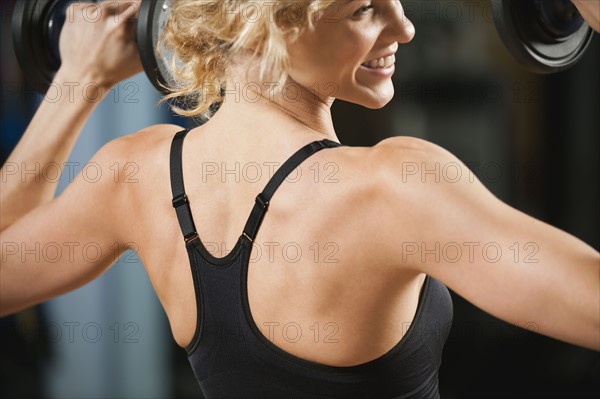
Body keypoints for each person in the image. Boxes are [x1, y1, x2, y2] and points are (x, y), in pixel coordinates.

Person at [1, 0, 598, 397]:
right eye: (364, 8)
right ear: (262, 22)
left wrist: (79, 81)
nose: (404, 26)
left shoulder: (134, 175)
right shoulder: (396, 188)